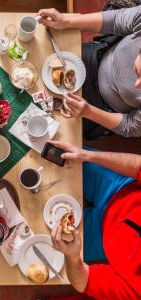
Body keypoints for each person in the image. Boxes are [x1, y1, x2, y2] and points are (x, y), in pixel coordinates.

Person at [48, 140, 141, 299]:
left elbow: (84, 281)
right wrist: (88, 156)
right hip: (120, 187)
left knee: (45, 242)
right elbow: (138, 166)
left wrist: (72, 256)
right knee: (55, 153)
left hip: (104, 237)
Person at [37, 6, 141, 139]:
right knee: (40, 59)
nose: (137, 85)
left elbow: (130, 127)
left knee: (54, 128)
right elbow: (117, 20)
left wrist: (88, 111)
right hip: (97, 56)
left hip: (101, 107)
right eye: (138, 73)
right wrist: (66, 21)